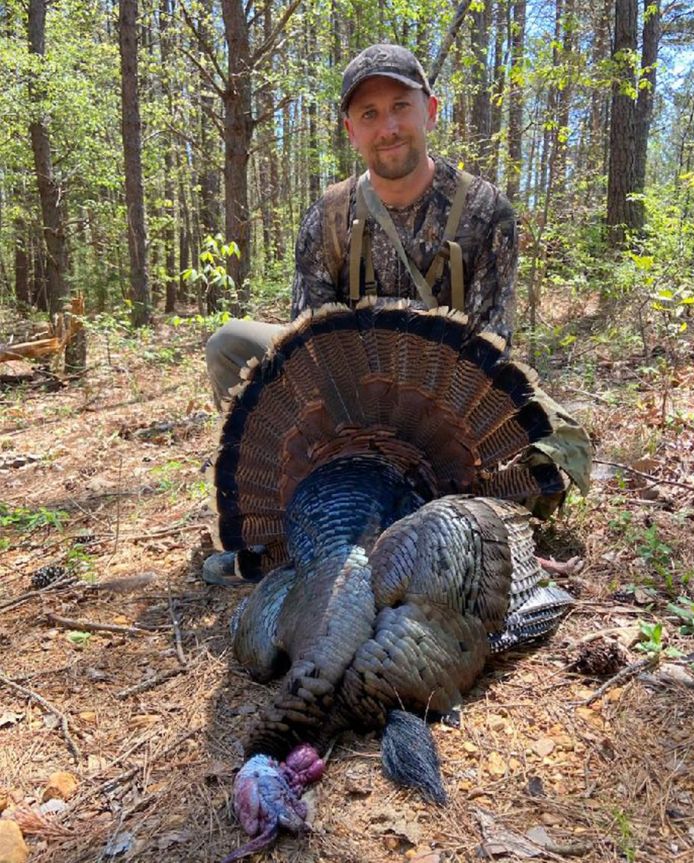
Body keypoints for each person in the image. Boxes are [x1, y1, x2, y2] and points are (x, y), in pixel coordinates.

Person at [201, 43, 588, 583]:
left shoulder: (484, 211)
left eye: (401, 107)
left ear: (430, 111)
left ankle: (445, 516)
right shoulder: (330, 216)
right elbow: (306, 343)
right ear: (350, 130)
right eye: (370, 114)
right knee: (231, 344)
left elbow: (491, 339)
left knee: (551, 452)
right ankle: (293, 516)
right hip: (346, 396)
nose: (388, 128)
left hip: (442, 409)